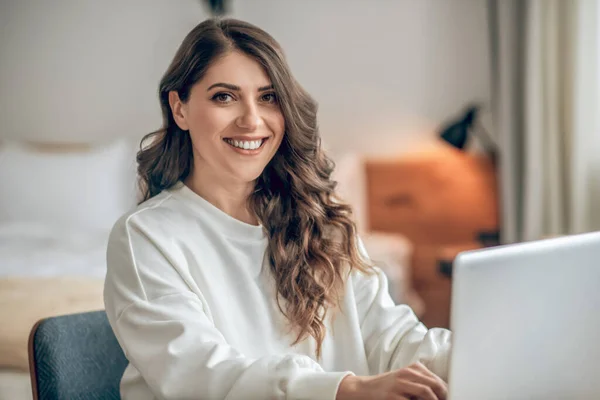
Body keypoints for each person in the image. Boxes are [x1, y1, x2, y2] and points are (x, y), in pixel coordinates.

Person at [104, 18, 452, 400]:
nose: (251, 120)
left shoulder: (320, 221)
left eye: (268, 97)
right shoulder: (145, 237)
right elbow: (203, 378)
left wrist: (471, 359)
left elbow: (393, 338)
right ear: (180, 109)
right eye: (224, 96)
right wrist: (345, 390)